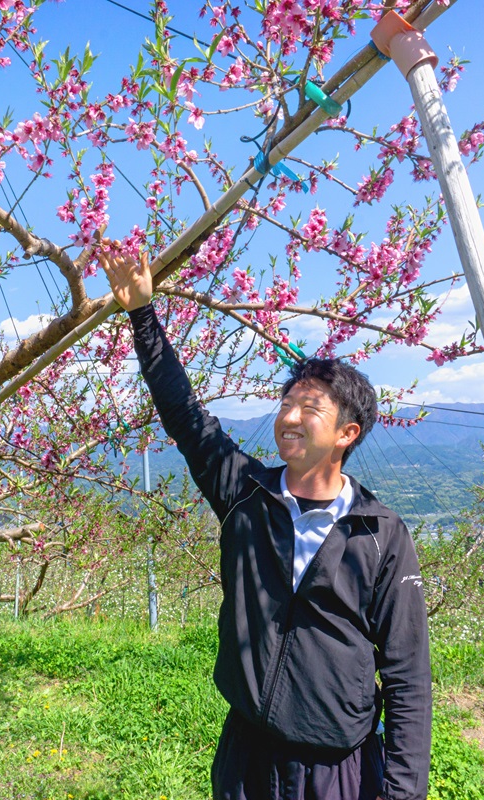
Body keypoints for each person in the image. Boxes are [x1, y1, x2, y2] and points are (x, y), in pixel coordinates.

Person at [99, 247, 432, 800]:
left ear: (347, 434)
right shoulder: (245, 494)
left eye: (311, 408)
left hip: (336, 770)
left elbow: (406, 677)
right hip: (248, 756)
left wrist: (402, 793)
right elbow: (185, 416)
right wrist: (141, 313)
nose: (290, 416)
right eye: (286, 403)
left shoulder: (380, 534)